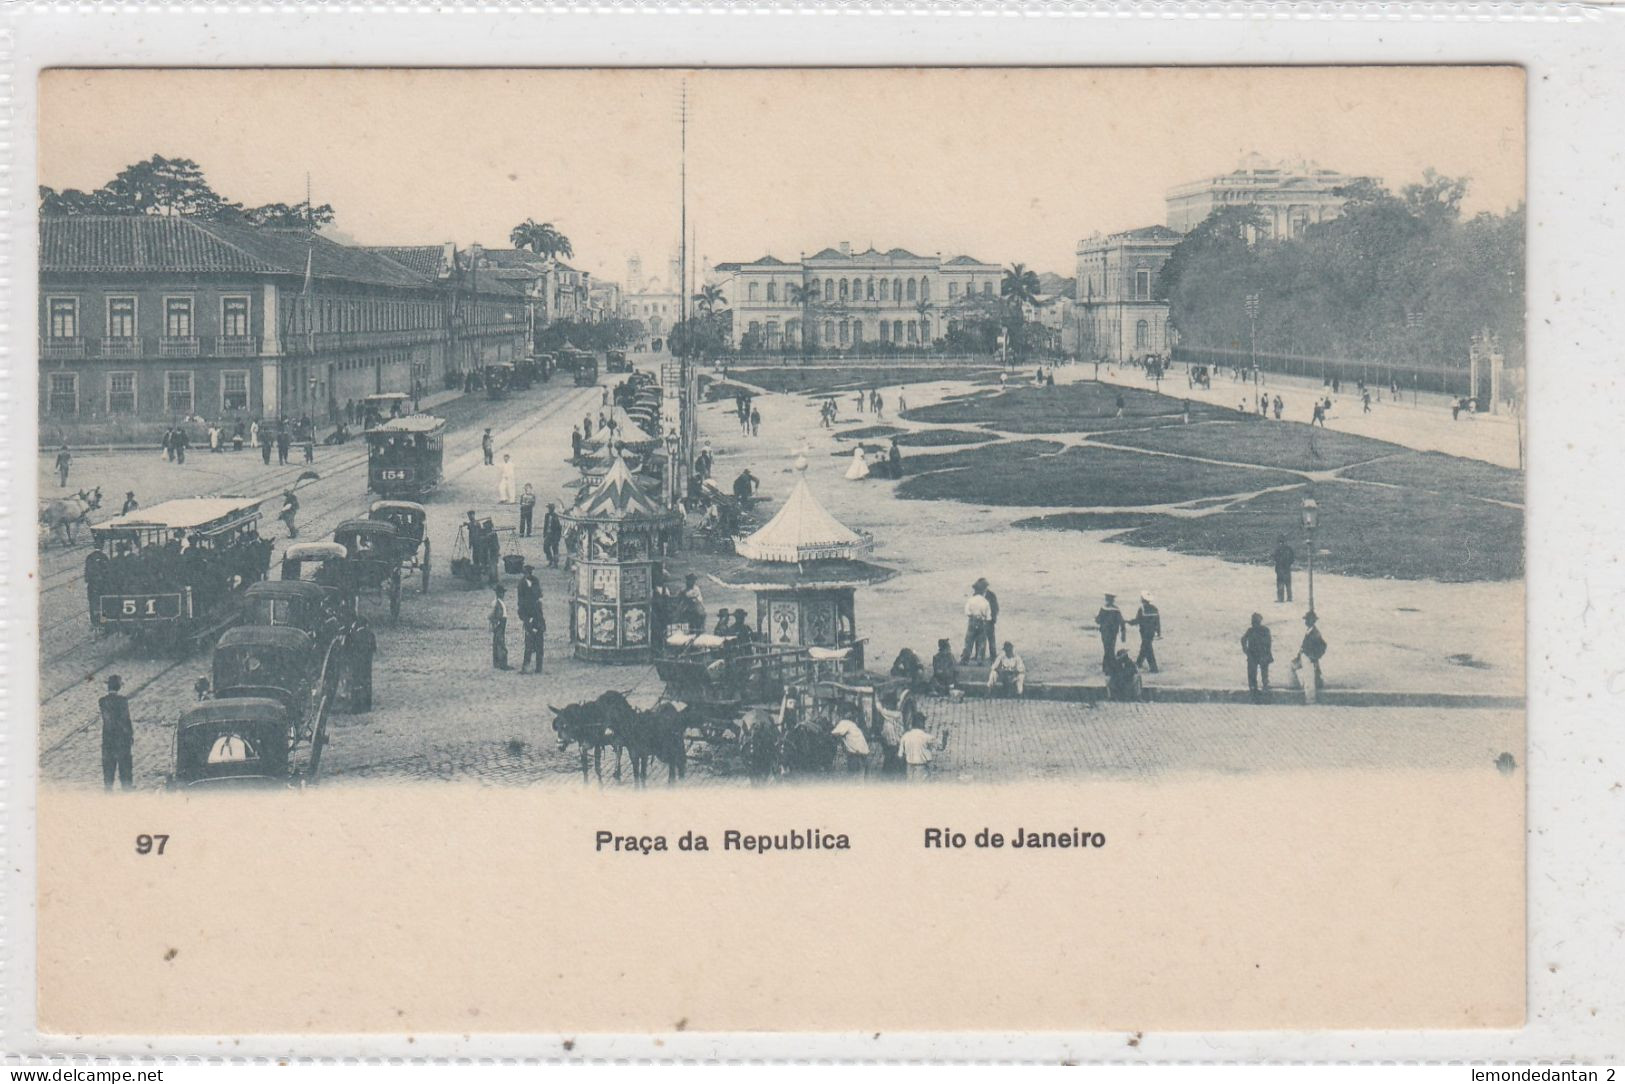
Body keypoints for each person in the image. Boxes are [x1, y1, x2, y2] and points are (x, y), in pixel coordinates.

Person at [99, 675, 133, 791]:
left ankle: (108, 792)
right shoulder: (123, 701)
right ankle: (127, 791)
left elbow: (108, 720)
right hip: (122, 739)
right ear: (119, 687)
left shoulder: (102, 701)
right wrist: (129, 735)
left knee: (108, 769)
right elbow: (125, 719)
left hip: (108, 739)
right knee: (125, 769)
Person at [1241, 612, 1273, 699]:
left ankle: (1263, 689)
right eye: (1254, 622)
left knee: (1263, 675)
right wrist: (1246, 651)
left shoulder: (1263, 630)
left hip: (1261, 655)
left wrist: (1266, 654)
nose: (1254, 624)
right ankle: (1254, 690)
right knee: (1253, 674)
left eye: (1256, 622)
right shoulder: (1251, 630)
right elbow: (1243, 639)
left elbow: (1268, 643)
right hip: (1254, 656)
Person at [1129, 591, 1161, 673]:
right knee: (1145, 646)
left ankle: (1154, 668)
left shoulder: (1142, 609)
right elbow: (1157, 622)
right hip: (1151, 632)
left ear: (1142, 599)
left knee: (1148, 648)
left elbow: (1137, 620)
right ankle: (1139, 663)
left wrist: (1129, 622)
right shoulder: (1155, 608)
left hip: (1144, 632)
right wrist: (1158, 632)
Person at [1094, 593, 1126, 672]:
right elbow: (1121, 622)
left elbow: (1098, 621)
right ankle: (1109, 666)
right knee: (1111, 648)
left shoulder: (1103, 608)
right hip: (1113, 633)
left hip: (1104, 632)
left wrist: (1096, 618)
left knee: (1107, 649)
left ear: (1106, 599)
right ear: (1113, 600)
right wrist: (1123, 633)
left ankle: (1106, 667)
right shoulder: (1116, 609)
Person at [1297, 611, 1328, 692]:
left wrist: (1315, 656)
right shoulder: (1310, 630)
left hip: (1310, 658)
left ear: (1312, 621)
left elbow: (1323, 645)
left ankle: (1311, 695)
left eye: (1307, 620)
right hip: (1307, 657)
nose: (1306, 622)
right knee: (1311, 675)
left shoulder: (1315, 633)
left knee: (1310, 677)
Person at [961, 585, 992, 664]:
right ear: (983, 592)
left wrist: (973, 616)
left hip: (972, 621)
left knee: (969, 641)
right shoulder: (985, 602)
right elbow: (988, 617)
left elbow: (967, 612)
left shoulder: (971, 600)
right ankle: (980, 659)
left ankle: (965, 659)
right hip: (982, 621)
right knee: (981, 641)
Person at [488, 584, 511, 670]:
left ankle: (497, 662)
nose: (503, 594)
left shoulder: (497, 602)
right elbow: (497, 614)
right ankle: (502, 663)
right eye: (502, 593)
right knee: (500, 642)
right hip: (500, 623)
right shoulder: (498, 603)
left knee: (497, 642)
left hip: (499, 623)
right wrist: (496, 623)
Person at [520, 609, 545, 675]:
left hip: (533, 626)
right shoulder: (536, 604)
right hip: (535, 627)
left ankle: (527, 666)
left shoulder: (527, 604)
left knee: (529, 648)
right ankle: (538, 668)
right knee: (538, 648)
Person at [1272, 536, 1295, 603]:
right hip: (1287, 568)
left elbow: (1275, 558)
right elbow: (1292, 559)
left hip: (1280, 569)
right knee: (1288, 583)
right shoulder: (1289, 549)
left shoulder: (1278, 550)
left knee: (1280, 583)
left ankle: (1281, 599)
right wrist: (1289, 564)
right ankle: (1289, 598)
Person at [979, 578, 1000, 654]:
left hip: (990, 620)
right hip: (980, 621)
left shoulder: (991, 595)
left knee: (991, 638)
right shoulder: (977, 595)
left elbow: (995, 608)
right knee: (979, 639)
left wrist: (993, 619)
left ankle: (993, 655)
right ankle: (979, 656)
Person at [542, 503, 563, 567]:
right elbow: (545, 525)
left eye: (549, 508)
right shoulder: (547, 515)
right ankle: (550, 560)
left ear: (552, 509)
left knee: (555, 548)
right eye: (548, 508)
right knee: (545, 547)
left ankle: (555, 563)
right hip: (548, 534)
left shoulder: (556, 516)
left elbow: (559, 528)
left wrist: (557, 538)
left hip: (554, 535)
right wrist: (544, 533)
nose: (548, 509)